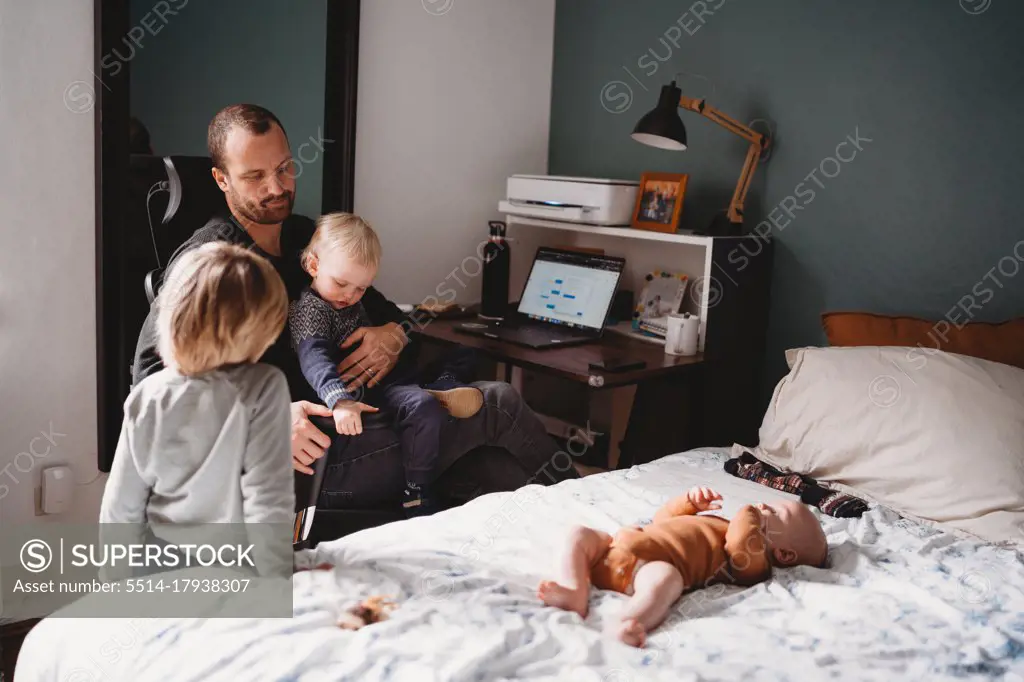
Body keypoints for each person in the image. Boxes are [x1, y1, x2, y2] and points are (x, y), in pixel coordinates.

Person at [131, 103, 577, 519]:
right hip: (306, 463)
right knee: (496, 404)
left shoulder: (310, 237)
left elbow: (392, 317)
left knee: (496, 470)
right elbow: (150, 383)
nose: (276, 186)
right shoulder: (211, 261)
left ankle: (586, 552)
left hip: (365, 422)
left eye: (285, 167)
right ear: (222, 180)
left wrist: (393, 334)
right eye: (254, 176)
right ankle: (601, 517)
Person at [102, 243, 294, 576]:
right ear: (250, 332)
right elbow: (267, 498)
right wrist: (277, 579)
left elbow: (121, 507)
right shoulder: (263, 385)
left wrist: (113, 582)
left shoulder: (147, 394)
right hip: (233, 565)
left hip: (160, 563)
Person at [290, 212, 485, 516]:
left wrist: (396, 335)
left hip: (397, 375)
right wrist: (340, 401)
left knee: (467, 350)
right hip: (373, 391)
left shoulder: (354, 298)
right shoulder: (310, 311)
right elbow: (314, 360)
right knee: (422, 406)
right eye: (342, 283)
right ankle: (416, 491)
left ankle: (443, 386)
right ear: (313, 266)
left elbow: (402, 322)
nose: (350, 296)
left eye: (361, 288)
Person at [537, 485, 828, 648]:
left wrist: (749, 513)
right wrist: (688, 504)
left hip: (646, 568)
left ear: (785, 554)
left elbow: (740, 542)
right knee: (578, 534)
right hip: (617, 546)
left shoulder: (752, 561)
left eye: (775, 511)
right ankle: (574, 589)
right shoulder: (721, 524)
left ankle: (628, 620)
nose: (763, 506)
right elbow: (663, 521)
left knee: (668, 579)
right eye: (765, 505)